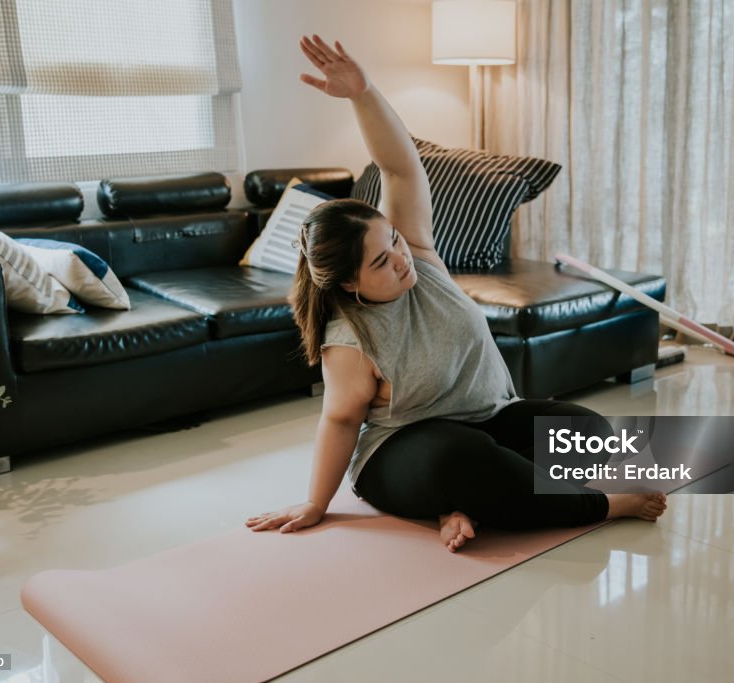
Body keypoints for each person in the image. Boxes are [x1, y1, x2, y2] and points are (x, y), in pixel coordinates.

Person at [246, 35, 666, 553]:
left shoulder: (418, 256)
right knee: (466, 461)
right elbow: (339, 422)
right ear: (350, 283)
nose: (400, 258)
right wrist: (315, 504)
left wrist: (364, 93)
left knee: (589, 433)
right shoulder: (349, 339)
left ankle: (460, 503)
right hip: (403, 451)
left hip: (487, 420)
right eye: (381, 260)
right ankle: (599, 506)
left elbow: (402, 168)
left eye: (394, 240)